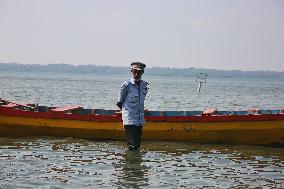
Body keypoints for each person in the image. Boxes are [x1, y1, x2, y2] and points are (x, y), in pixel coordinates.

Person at [117, 62, 148, 150]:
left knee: (137, 146)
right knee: (133, 146)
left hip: (140, 120)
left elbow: (141, 100)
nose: (136, 74)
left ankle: (135, 162)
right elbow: (119, 102)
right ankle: (130, 163)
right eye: (135, 71)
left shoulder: (144, 85)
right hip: (130, 120)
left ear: (142, 73)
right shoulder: (126, 85)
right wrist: (126, 111)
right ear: (131, 71)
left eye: (139, 72)